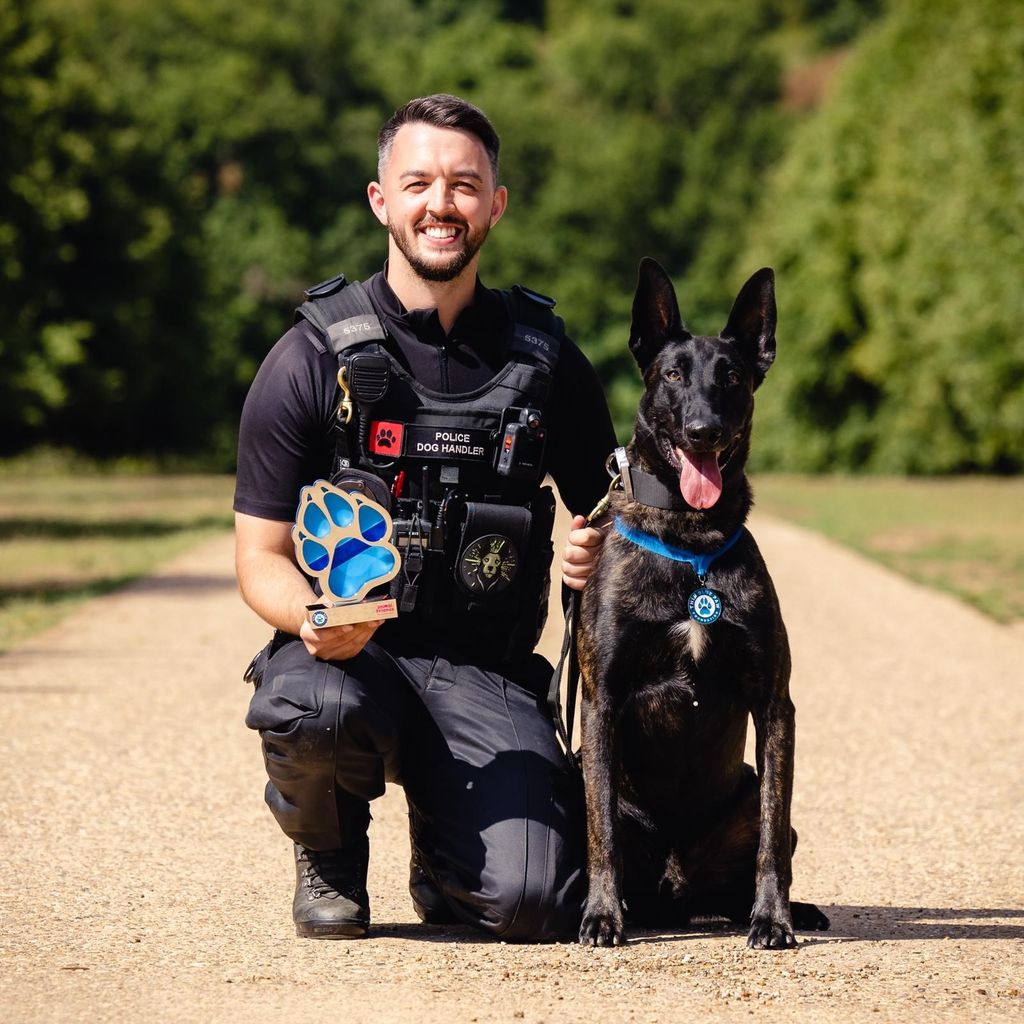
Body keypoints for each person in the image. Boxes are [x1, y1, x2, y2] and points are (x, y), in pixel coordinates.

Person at [234, 94, 615, 942]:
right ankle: (331, 857)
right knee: (313, 705)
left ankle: (450, 865)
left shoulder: (547, 360)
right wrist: (313, 616)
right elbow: (258, 555)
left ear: (496, 204)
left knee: (534, 904)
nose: (441, 204)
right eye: (419, 183)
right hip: (352, 657)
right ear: (382, 200)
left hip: (486, 672)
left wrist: (598, 550)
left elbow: (612, 514)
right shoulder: (308, 357)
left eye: (464, 185)